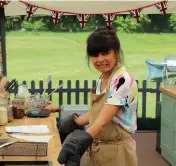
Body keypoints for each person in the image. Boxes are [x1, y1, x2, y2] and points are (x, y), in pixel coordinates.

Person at [57, 26, 138, 166]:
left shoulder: (123, 80)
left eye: (105, 53)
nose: (100, 59)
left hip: (117, 152)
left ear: (116, 53)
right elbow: (101, 112)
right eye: (95, 55)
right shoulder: (102, 79)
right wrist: (76, 121)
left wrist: (80, 140)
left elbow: (103, 121)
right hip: (96, 147)